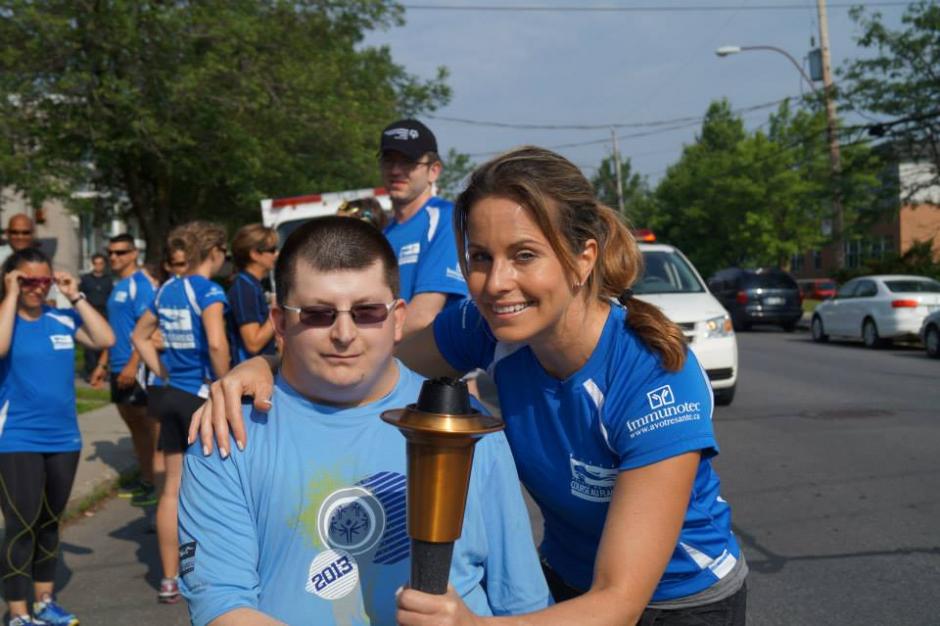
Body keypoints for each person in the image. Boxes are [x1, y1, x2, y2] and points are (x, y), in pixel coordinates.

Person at [193, 147, 748, 625]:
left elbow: (620, 604)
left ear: (583, 258)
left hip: (675, 599)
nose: (496, 282)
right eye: (480, 258)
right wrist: (265, 365)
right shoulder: (487, 328)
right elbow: (364, 353)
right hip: (568, 581)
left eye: (524, 255)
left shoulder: (655, 375)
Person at [178, 216, 549, 625]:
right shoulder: (228, 429)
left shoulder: (463, 425)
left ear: (398, 317)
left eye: (367, 311)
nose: (344, 333)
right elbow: (222, 604)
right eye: (318, 314)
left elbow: (522, 602)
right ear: (281, 323)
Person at [0, 248, 115, 626]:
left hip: (64, 440)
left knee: (50, 523)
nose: (37, 288)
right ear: (12, 279)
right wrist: (12, 295)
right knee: (22, 525)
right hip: (17, 439)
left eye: (43, 280)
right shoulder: (6, 319)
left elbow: (105, 338)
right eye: (27, 280)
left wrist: (74, 294)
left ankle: (44, 602)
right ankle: (17, 613)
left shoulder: (62, 317)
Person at [131, 222, 230, 605]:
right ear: (215, 251)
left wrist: (160, 370)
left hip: (169, 392)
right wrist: (226, 385)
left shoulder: (167, 289)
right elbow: (218, 342)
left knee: (172, 488)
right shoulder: (208, 290)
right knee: (217, 486)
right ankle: (213, 573)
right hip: (201, 394)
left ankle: (169, 578)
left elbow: (139, 336)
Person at [88, 235, 161, 507]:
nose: (113, 257)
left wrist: (133, 363)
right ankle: (147, 479)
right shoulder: (119, 285)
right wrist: (102, 363)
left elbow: (147, 329)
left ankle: (158, 484)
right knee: (135, 429)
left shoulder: (141, 285)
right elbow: (113, 331)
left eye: (120, 252)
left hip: (135, 369)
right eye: (110, 253)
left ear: (133, 253)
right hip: (117, 366)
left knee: (149, 429)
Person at [378, 119, 468, 336]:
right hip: (390, 359)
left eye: (408, 162)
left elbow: (424, 315)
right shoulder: (383, 236)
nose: (396, 170)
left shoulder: (447, 219)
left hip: (435, 365)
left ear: (434, 171)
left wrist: (365, 351)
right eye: (389, 160)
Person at [225, 224, 278, 365]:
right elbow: (253, 343)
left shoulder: (252, 284)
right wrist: (277, 312)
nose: (276, 254)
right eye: (272, 250)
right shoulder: (244, 288)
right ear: (255, 254)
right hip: (249, 373)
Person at [79, 253, 112, 381]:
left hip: (104, 313)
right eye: (96, 264)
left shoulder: (108, 280)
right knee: (90, 344)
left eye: (101, 264)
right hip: (90, 312)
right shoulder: (86, 279)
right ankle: (90, 371)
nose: (98, 266)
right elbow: (80, 294)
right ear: (92, 264)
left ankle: (102, 369)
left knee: (104, 343)